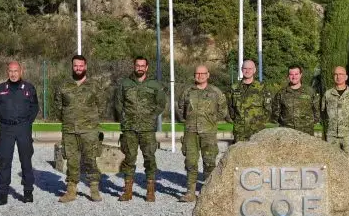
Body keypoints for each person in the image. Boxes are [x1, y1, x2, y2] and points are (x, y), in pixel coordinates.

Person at [113, 56, 167, 202]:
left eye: (143, 65)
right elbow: (118, 103)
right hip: (129, 128)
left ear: (147, 67)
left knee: (149, 158)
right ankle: (127, 191)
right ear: (134, 66)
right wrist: (123, 117)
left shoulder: (155, 85)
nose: (140, 68)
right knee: (129, 159)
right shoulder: (125, 83)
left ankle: (150, 191)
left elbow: (161, 103)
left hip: (147, 129)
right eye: (138, 65)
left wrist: (151, 116)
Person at [55, 55, 105, 203]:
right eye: (76, 65)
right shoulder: (63, 86)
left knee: (90, 160)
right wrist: (68, 120)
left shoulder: (94, 85)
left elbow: (101, 105)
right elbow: (58, 107)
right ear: (72, 66)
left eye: (81, 66)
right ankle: (71, 190)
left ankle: (94, 189)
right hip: (70, 130)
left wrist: (92, 121)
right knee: (72, 160)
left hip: (89, 131)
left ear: (86, 67)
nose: (78, 68)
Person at [176, 64, 228, 203]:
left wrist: (211, 120)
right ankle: (190, 192)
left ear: (208, 75)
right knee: (191, 162)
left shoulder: (216, 92)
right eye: (197, 74)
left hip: (208, 132)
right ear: (194, 75)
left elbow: (223, 110)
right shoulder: (187, 92)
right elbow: (180, 109)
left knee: (209, 162)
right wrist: (188, 121)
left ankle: (208, 192)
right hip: (191, 132)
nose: (200, 76)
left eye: (203, 73)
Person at [0, 60, 38, 205]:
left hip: (23, 128)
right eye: (10, 71)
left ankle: (28, 192)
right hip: (6, 129)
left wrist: (27, 123)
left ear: (21, 71)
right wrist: (2, 121)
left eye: (16, 71)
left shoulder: (29, 88)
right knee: (4, 161)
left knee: (26, 160)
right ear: (7, 72)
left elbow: (34, 108)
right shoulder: (0, 89)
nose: (13, 74)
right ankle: (3, 193)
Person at [321, 66, 349, 162]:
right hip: (332, 137)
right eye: (336, 74)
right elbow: (323, 112)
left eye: (341, 74)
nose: (338, 76)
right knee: (332, 163)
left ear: (346, 77)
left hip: (348, 136)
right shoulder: (328, 94)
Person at [228, 59, 271, 142]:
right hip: (240, 132)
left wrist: (259, 123)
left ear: (254, 70)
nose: (247, 71)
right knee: (239, 154)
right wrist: (238, 121)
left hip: (258, 132)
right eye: (245, 68)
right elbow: (230, 108)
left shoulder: (262, 88)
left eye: (250, 69)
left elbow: (268, 109)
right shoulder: (234, 88)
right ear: (241, 69)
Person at [271, 64, 319, 135]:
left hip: (306, 133)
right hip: (286, 133)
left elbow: (317, 112)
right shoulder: (281, 93)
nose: (294, 77)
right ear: (288, 76)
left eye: (296, 74)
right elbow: (275, 113)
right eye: (291, 74)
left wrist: (308, 124)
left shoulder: (310, 92)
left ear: (301, 75)